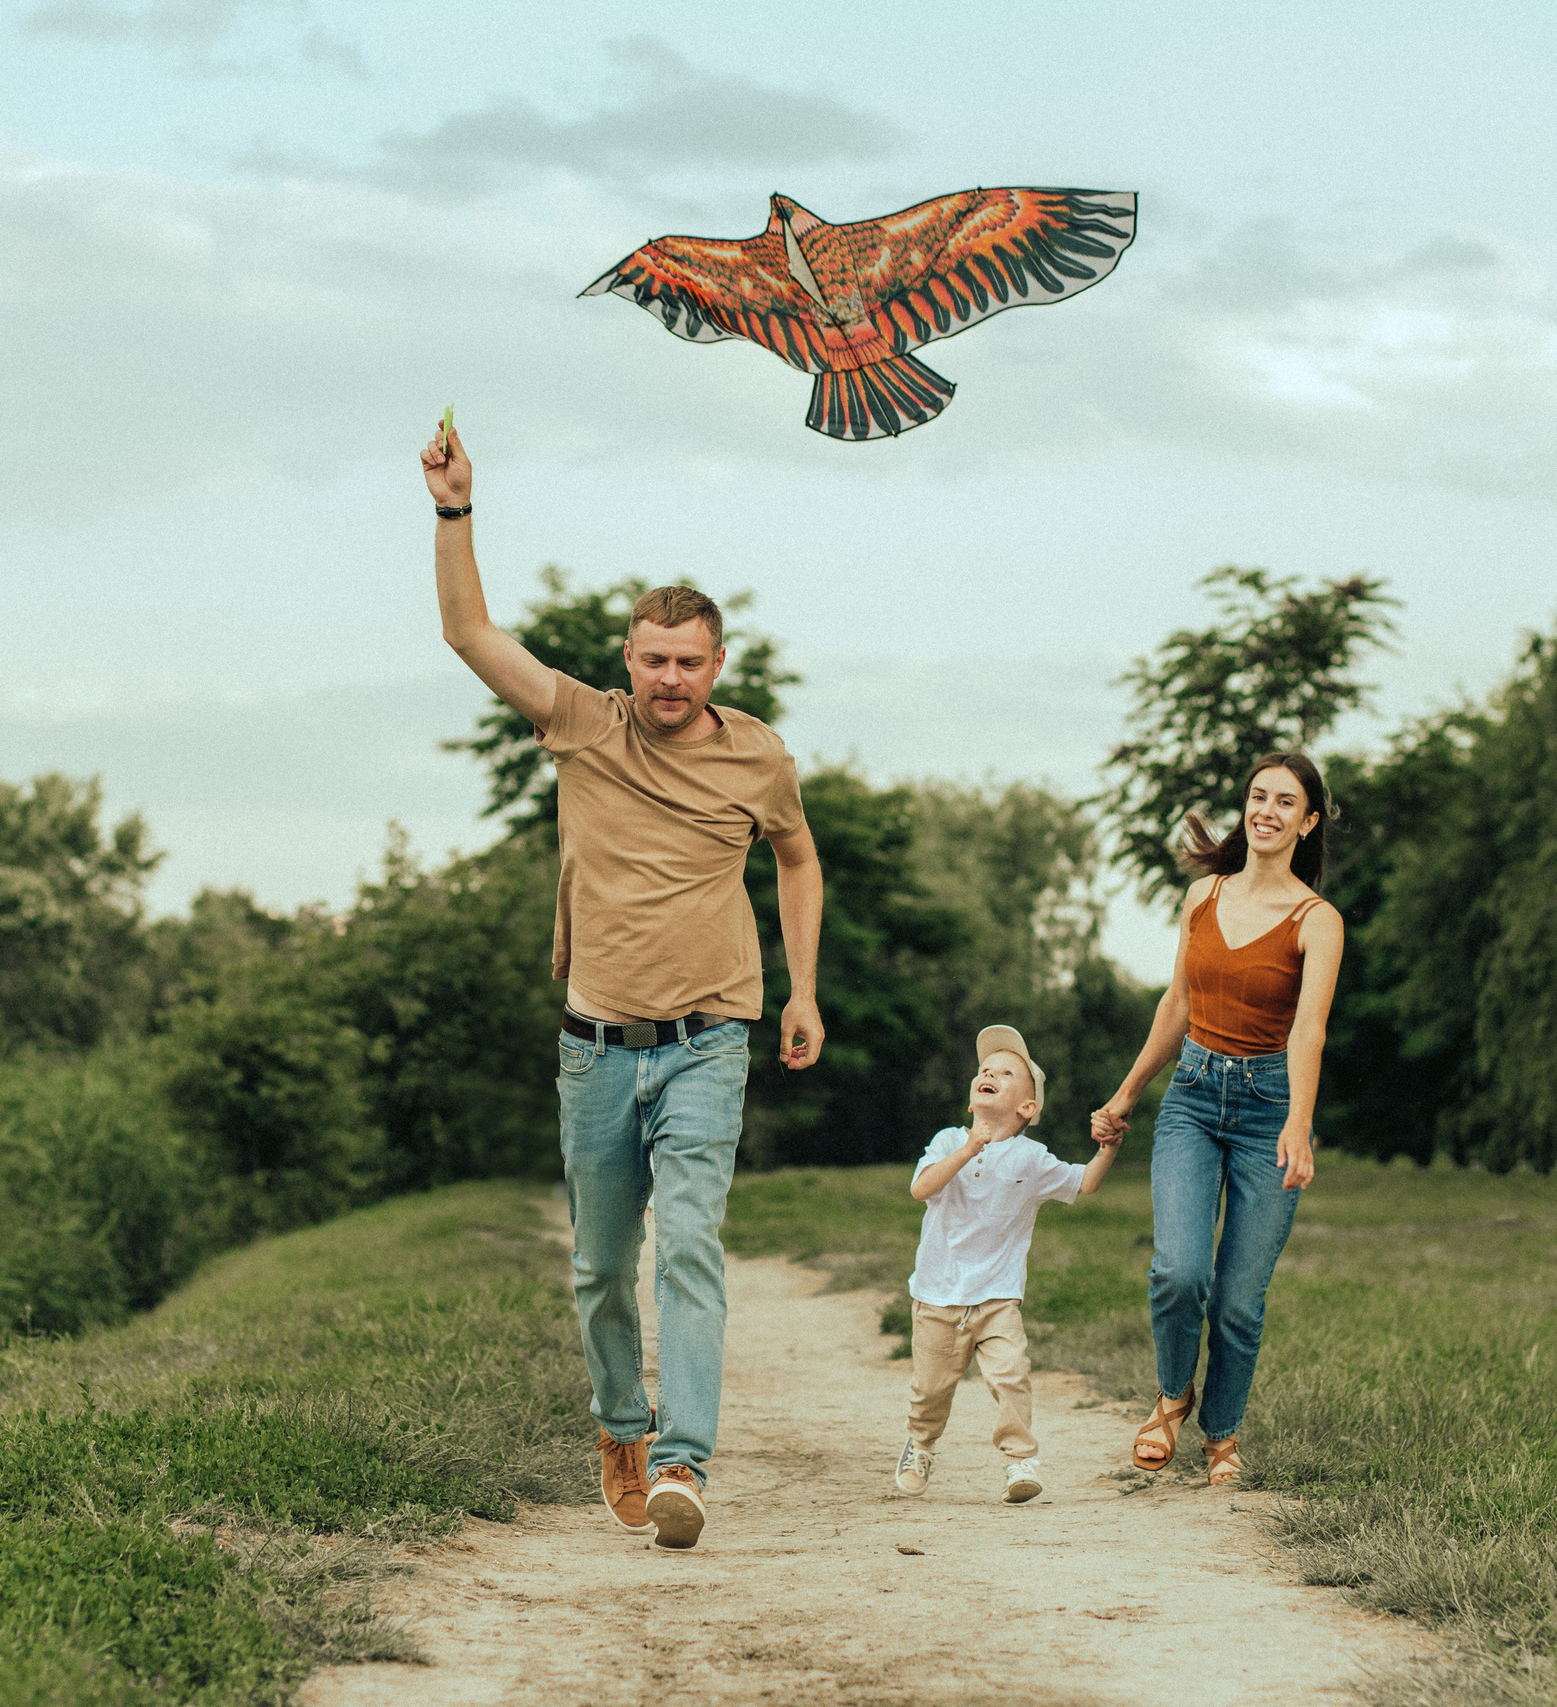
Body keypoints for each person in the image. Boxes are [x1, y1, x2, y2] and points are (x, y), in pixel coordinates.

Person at [421, 418, 826, 1550]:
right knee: (602, 1268)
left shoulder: (759, 755)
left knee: (689, 1242)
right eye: (652, 659)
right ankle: (622, 1427)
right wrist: (456, 510)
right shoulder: (578, 725)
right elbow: (468, 633)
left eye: (689, 661)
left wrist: (800, 988)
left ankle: (685, 1460)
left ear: (717, 665)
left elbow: (796, 856)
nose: (669, 679)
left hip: (710, 1037)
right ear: (628, 659)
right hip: (595, 1045)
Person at [1091, 754, 1341, 1488]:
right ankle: (1173, 1395)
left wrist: (1299, 1121)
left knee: (1237, 1297)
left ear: (1308, 819)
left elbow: (1309, 1031)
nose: (1266, 809)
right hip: (1194, 1098)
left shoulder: (1316, 920)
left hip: (1269, 1110)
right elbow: (1177, 1006)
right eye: (1257, 795)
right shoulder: (1203, 894)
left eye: (1285, 800)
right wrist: (1129, 1090)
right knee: (1179, 1269)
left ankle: (1222, 1435)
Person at [894, 1024, 1121, 1504]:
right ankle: (921, 1444)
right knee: (930, 1391)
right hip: (937, 1293)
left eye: (1006, 1071)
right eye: (984, 1070)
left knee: (1010, 1375)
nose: (990, 1072)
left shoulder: (1031, 1158)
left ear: (1027, 1107)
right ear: (972, 1097)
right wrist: (969, 1148)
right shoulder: (948, 1140)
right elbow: (921, 1189)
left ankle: (1020, 1460)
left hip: (997, 1295)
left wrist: (1108, 1149)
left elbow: (1084, 1184)